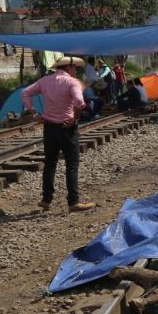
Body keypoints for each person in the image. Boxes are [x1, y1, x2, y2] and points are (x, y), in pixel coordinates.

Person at [22, 56, 95, 213]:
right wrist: (75, 119)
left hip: (49, 128)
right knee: (72, 165)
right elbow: (80, 102)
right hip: (67, 128)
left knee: (50, 163)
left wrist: (34, 113)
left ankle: (46, 199)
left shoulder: (44, 81)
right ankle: (73, 202)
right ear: (68, 67)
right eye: (75, 68)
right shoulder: (72, 82)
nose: (76, 71)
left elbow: (25, 93)